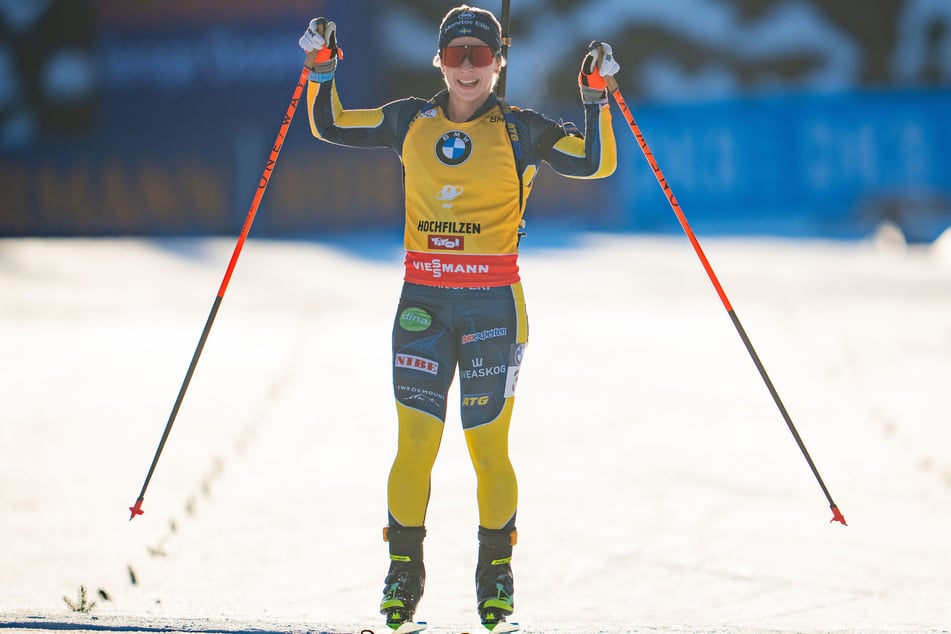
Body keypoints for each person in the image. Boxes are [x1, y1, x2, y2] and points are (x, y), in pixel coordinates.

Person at [298, 5, 619, 631]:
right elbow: (328, 123)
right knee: (415, 443)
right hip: (422, 304)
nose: (466, 69)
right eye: (455, 56)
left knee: (486, 446)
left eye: (479, 56)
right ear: (438, 62)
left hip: (493, 305)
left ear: (499, 62)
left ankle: (494, 573)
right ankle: (403, 571)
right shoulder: (408, 120)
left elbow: (595, 162)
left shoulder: (521, 130)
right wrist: (321, 65)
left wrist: (594, 98)